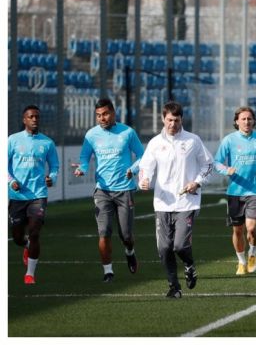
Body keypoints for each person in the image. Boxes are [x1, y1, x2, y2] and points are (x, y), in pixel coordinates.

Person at [138, 101, 213, 298]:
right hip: (162, 203)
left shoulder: (192, 141)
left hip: (187, 202)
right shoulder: (155, 143)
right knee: (164, 248)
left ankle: (189, 265)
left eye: (176, 120)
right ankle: (174, 287)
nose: (172, 124)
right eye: (169, 120)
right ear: (163, 119)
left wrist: (197, 182)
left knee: (179, 245)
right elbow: (145, 167)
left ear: (182, 120)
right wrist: (144, 180)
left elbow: (208, 165)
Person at [73, 98, 145, 282]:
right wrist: (81, 169)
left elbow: (142, 156)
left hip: (124, 190)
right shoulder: (91, 135)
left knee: (126, 235)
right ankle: (108, 271)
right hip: (102, 191)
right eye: (98, 115)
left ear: (113, 113)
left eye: (105, 114)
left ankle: (130, 251)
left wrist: (133, 169)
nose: (102, 118)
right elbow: (84, 159)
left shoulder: (127, 132)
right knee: (104, 232)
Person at [8, 105, 59, 285]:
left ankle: (30, 274)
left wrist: (51, 178)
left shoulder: (47, 143)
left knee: (35, 232)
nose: (35, 119)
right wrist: (10, 181)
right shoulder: (12, 140)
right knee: (17, 237)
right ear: (24, 120)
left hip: (38, 195)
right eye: (31, 117)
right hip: (17, 196)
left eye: (37, 116)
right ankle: (26, 246)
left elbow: (54, 167)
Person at [214, 106, 256, 276]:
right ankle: (241, 261)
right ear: (237, 121)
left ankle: (252, 252)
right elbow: (217, 162)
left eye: (249, 119)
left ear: (254, 121)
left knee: (251, 228)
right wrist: (226, 170)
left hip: (255, 191)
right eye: (243, 119)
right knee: (237, 230)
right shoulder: (229, 140)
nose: (246, 122)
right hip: (235, 192)